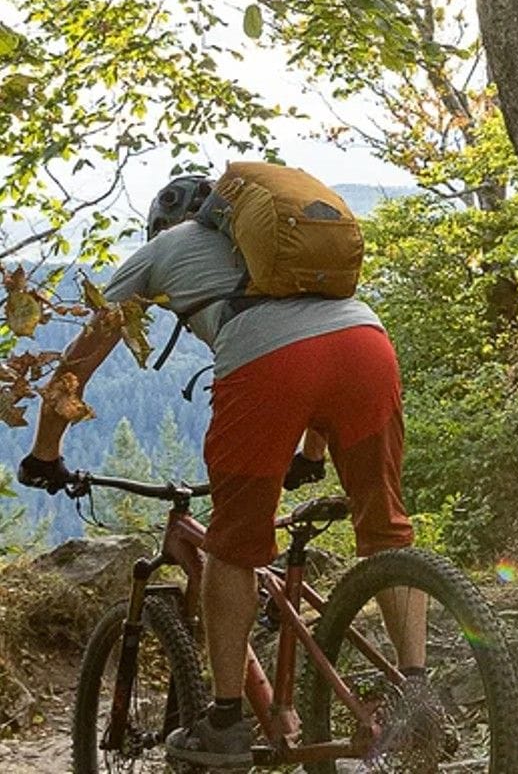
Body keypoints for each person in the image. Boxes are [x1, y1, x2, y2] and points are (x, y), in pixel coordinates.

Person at [17, 173, 425, 767]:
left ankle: (226, 720)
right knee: (385, 524)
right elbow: (317, 342)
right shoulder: (284, 251)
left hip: (268, 364)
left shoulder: (159, 250)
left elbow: (84, 355)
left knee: (234, 548)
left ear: (163, 225)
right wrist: (311, 458)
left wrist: (45, 451)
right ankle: (417, 689)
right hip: (364, 342)